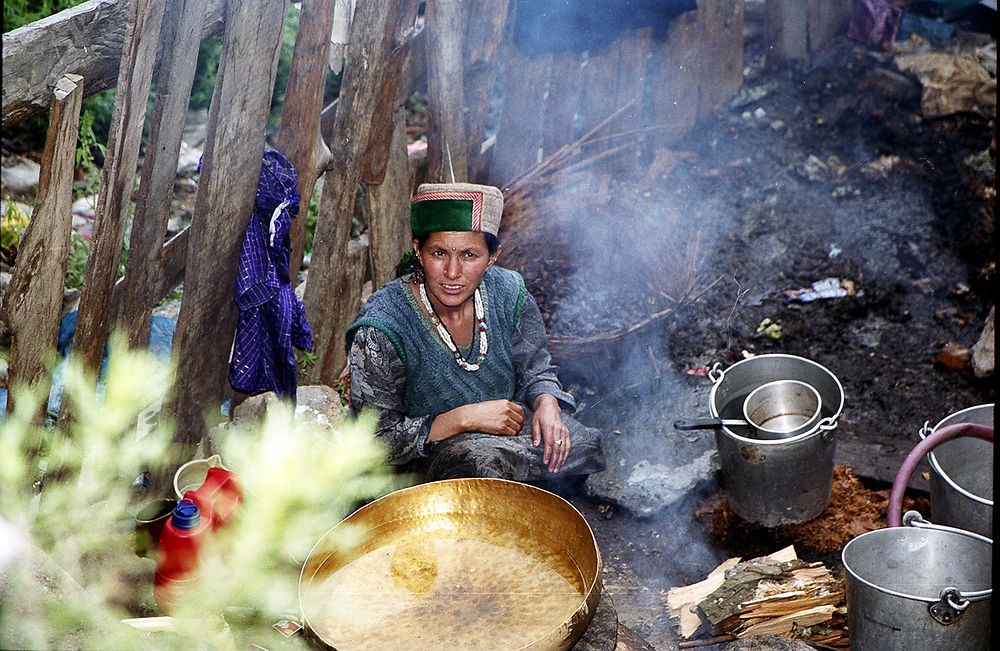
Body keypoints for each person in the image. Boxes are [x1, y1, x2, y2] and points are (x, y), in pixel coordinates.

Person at [346, 182, 604, 492]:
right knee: (480, 463)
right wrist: (463, 419)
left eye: (470, 255)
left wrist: (548, 405)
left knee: (581, 444)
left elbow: (536, 369)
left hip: (503, 436)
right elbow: (375, 442)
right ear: (418, 250)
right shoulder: (383, 327)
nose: (453, 272)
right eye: (439, 253)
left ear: (493, 256)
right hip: (421, 460)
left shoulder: (508, 293)